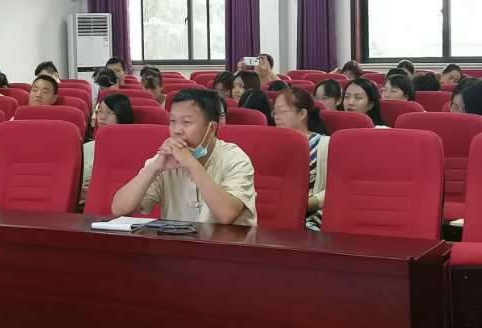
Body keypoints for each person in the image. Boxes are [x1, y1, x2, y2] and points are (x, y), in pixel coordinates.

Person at [112, 88, 257, 226]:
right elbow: (119, 209)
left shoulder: (235, 159)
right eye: (172, 121)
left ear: (211, 129)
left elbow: (226, 215)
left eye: (186, 122)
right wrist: (154, 168)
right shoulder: (165, 159)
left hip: (226, 243)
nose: (176, 130)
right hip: (177, 242)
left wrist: (192, 164)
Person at [272, 87, 329, 231]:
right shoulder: (270, 144)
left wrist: (304, 204)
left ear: (302, 113)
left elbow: (335, 190)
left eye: (282, 111)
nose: (276, 117)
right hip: (272, 212)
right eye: (274, 112)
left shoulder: (324, 144)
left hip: (311, 216)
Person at [80, 94, 135, 206]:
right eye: (99, 111)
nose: (102, 117)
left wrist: (97, 191)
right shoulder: (86, 148)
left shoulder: (134, 150)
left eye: (110, 112)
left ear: (123, 115)